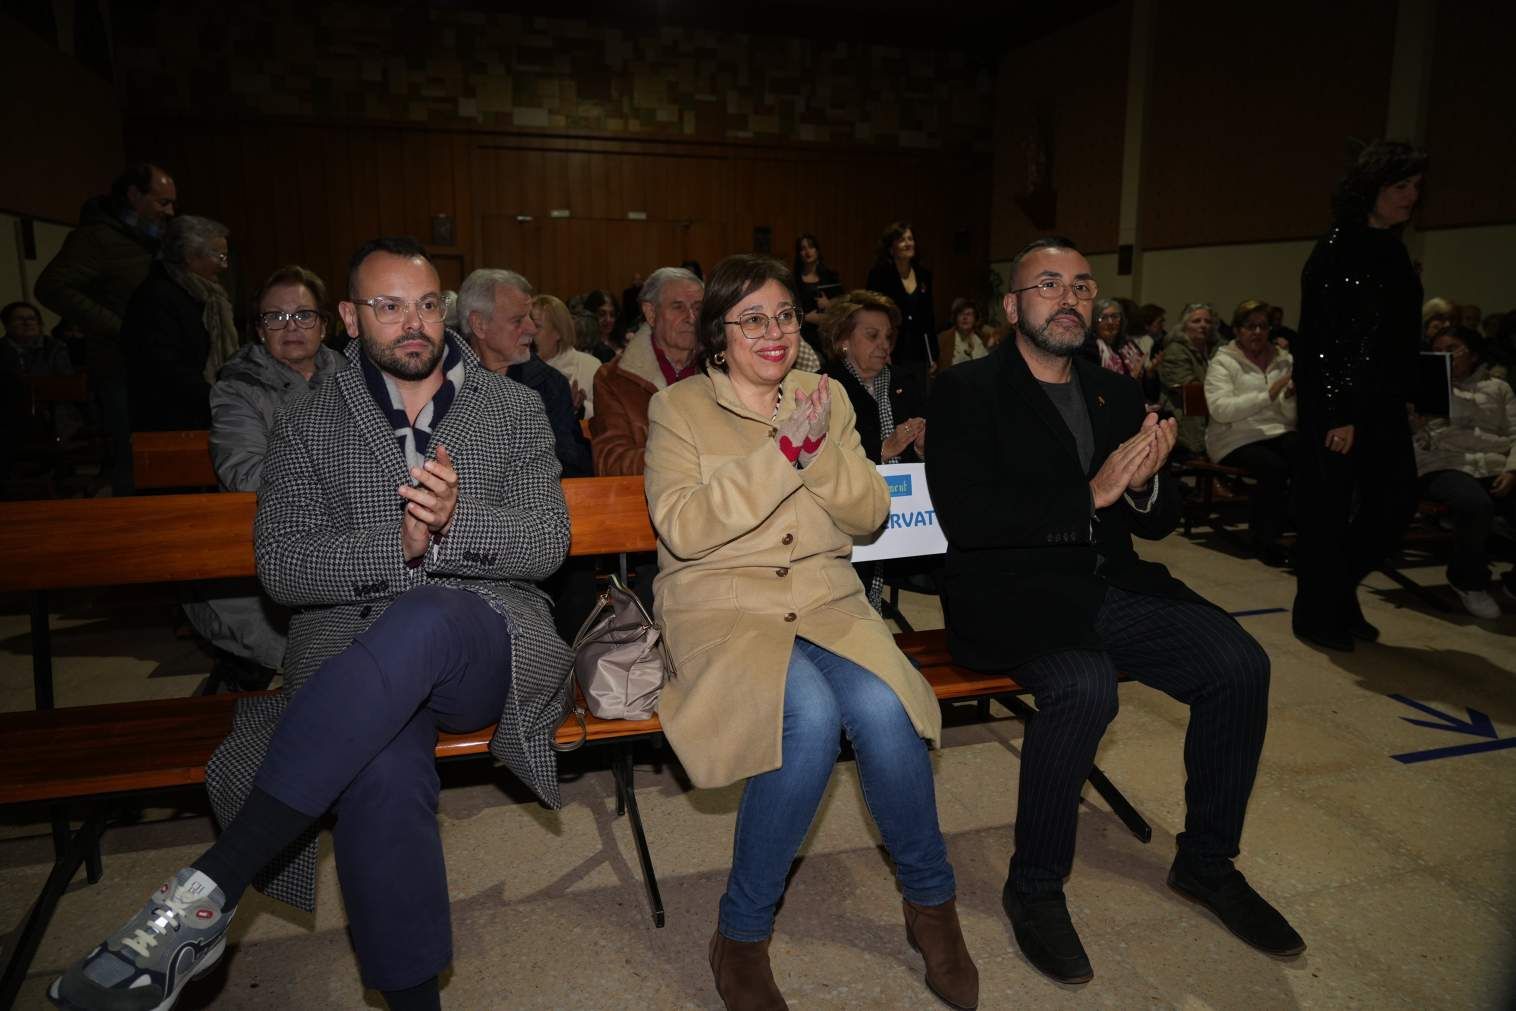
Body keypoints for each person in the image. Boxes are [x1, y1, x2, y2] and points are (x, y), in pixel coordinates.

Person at [49, 237, 573, 1011]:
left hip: (484, 639)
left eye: (427, 304)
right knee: (381, 771)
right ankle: (414, 1001)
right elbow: (284, 568)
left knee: (429, 611)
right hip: (353, 654)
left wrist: (453, 528)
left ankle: (214, 883)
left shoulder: (512, 404)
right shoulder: (307, 418)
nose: (413, 323)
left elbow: (547, 540)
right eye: (389, 307)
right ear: (351, 317)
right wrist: (395, 546)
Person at [927, 235, 1302, 986]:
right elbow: (970, 517)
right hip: (1013, 594)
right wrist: (1089, 494)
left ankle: (1205, 863)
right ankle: (1034, 886)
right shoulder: (966, 389)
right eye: (1049, 285)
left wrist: (1140, 487)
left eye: (1083, 288)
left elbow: (1153, 520)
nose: (1069, 299)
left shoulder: (1116, 391)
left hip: (1106, 584)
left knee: (1240, 664)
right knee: (1084, 687)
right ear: (1012, 306)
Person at [645, 254, 977, 1011]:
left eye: (786, 315)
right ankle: (742, 932)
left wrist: (818, 445)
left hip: (825, 597)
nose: (774, 331)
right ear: (718, 335)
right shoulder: (681, 408)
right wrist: (782, 453)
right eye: (753, 318)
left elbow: (869, 514)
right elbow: (687, 528)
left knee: (888, 712)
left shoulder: (827, 396)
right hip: (722, 604)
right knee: (809, 717)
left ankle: (933, 907)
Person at [1291, 140, 1427, 651]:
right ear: (1370, 189)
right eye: (1400, 186)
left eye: (1416, 187)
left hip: (1383, 406)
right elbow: (1325, 342)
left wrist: (1407, 395)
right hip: (1341, 408)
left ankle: (1336, 593)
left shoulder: (1391, 249)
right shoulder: (1335, 249)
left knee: (1394, 504)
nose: (1411, 197)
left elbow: (1394, 338)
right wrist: (1337, 412)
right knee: (1325, 515)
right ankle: (1317, 612)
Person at [186, 265, 346, 689]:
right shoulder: (238, 388)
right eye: (275, 317)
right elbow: (244, 474)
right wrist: (341, 484)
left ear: (324, 325)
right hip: (260, 544)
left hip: (346, 540)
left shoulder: (357, 379)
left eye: (303, 315)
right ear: (259, 330)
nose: (290, 327)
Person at [35, 162, 178, 493]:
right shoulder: (97, 238)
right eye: (162, 202)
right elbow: (52, 287)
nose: (170, 211)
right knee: (131, 460)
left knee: (162, 461)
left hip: (155, 366)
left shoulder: (149, 238)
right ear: (133, 196)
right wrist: (120, 327)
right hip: (120, 367)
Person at [821, 289, 928, 611]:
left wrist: (923, 450)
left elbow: (920, 459)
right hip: (843, 512)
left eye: (888, 337)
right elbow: (824, 460)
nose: (883, 344)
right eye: (872, 335)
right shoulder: (824, 387)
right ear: (843, 340)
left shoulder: (905, 383)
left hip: (906, 512)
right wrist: (882, 449)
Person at [1413, 327, 1516, 617]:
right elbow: (1427, 440)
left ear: (1472, 354)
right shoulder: (1426, 386)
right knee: (1475, 504)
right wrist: (1417, 424)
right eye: (1438, 349)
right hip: (1444, 464)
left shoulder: (1498, 388)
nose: (1445, 354)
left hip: (1496, 464)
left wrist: (1513, 470)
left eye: (1453, 347)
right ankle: (1467, 581)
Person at [459, 268, 591, 477]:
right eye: (518, 320)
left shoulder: (550, 385)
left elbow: (572, 467)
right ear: (479, 324)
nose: (531, 328)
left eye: (530, 317)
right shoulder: (441, 384)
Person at [121, 214, 238, 431]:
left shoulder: (208, 296)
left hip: (202, 411)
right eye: (220, 256)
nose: (225, 266)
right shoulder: (156, 298)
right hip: (170, 420)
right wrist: (219, 398)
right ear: (190, 257)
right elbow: (164, 369)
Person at [1204, 299, 1299, 563]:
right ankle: (1266, 542)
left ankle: (1302, 532)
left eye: (1263, 326)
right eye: (1250, 326)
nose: (1257, 332)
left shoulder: (1284, 359)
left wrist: (1289, 398)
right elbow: (1220, 410)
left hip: (1277, 432)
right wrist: (1267, 394)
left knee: (1309, 455)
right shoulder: (1223, 362)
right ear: (1237, 330)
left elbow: (1289, 418)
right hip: (1233, 438)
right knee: (1273, 467)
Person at [589, 266, 704, 476]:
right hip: (644, 503)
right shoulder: (614, 379)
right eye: (678, 307)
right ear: (651, 313)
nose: (691, 317)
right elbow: (611, 462)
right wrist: (686, 460)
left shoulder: (722, 369)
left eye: (698, 307)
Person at [865, 222, 937, 388]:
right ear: (891, 247)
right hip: (891, 349)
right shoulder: (879, 274)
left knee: (918, 396)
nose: (908, 243)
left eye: (910, 239)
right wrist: (881, 346)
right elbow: (872, 315)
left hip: (918, 351)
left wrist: (933, 355)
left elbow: (929, 316)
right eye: (902, 239)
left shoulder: (924, 275)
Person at [1158, 302, 1221, 459]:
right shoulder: (1175, 350)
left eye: (1208, 321)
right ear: (1185, 325)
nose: (1203, 325)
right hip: (1184, 420)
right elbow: (1191, 389)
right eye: (1197, 321)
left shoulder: (1215, 349)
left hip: (1209, 415)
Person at [532, 293, 599, 420]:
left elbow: (604, 417)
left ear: (558, 331)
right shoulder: (513, 367)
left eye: (537, 326)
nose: (528, 331)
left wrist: (579, 408)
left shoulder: (590, 366)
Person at [793, 232, 841, 362]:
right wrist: (806, 318)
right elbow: (790, 307)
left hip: (828, 332)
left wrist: (829, 305)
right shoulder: (794, 279)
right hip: (805, 333)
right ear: (799, 254)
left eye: (811, 247)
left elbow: (843, 306)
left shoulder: (831, 275)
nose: (807, 251)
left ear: (817, 250)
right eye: (803, 249)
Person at [1090, 297, 1148, 384]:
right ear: (1094, 322)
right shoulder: (1090, 348)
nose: (1110, 322)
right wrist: (1131, 381)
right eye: (1103, 317)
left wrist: (1150, 374)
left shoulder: (1128, 345)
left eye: (1114, 316)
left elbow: (1147, 383)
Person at [937, 298, 992, 368]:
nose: (964, 317)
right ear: (955, 318)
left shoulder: (983, 337)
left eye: (968, 314)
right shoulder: (943, 338)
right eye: (960, 314)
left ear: (975, 318)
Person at [582, 288, 623, 362]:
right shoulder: (585, 347)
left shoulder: (623, 341)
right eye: (602, 314)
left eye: (612, 314)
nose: (608, 319)